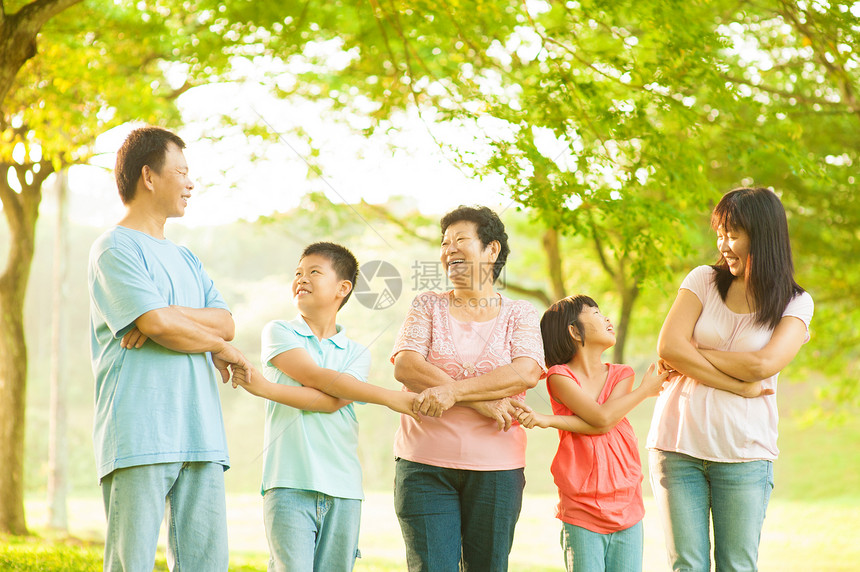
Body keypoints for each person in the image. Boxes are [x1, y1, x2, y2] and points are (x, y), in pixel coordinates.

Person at [88, 126, 249, 571]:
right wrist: (201, 337)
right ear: (149, 177)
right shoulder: (114, 248)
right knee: (131, 563)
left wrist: (169, 313)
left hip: (201, 435)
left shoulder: (186, 259)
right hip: (140, 433)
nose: (191, 183)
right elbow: (159, 326)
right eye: (181, 171)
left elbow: (226, 323)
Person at [647, 187, 814, 571]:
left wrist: (697, 354)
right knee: (686, 565)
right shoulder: (703, 279)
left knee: (736, 566)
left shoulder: (795, 302)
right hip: (677, 446)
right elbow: (669, 346)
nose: (722, 244)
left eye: (733, 234)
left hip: (744, 454)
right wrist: (737, 385)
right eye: (720, 233)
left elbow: (763, 365)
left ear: (763, 235)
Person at [230, 242, 420, 572]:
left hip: (344, 489)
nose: (301, 279)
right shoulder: (279, 331)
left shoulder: (357, 352)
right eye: (298, 273)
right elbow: (315, 376)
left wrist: (267, 388)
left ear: (342, 288)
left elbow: (332, 401)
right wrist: (390, 397)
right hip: (289, 483)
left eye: (314, 272)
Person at [390, 205, 545, 572]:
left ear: (491, 250)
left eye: (461, 239)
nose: (449, 250)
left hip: (497, 470)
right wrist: (483, 401)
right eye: (444, 243)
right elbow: (406, 365)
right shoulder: (428, 304)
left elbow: (526, 372)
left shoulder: (519, 313)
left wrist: (456, 393)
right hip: (424, 465)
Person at [518, 295, 668, 572]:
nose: (606, 318)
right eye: (596, 313)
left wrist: (548, 420)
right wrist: (646, 391)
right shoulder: (559, 377)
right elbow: (602, 418)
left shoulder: (622, 374)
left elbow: (605, 422)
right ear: (574, 331)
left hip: (626, 500)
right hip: (582, 505)